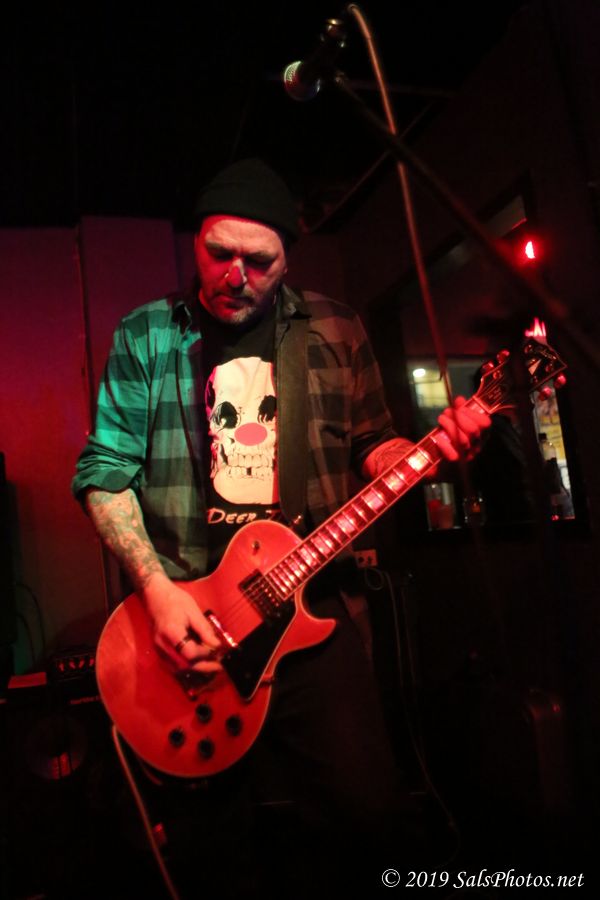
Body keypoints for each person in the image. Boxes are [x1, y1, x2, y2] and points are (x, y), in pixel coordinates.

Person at [72, 158, 490, 897]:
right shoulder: (146, 334)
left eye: (258, 261)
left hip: (312, 612)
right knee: (211, 854)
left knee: (371, 821)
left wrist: (432, 449)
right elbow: (104, 473)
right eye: (218, 253)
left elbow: (374, 446)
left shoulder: (334, 328)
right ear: (196, 242)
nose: (235, 276)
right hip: (191, 624)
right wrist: (160, 595)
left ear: (288, 258)